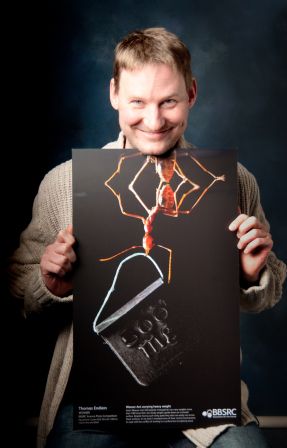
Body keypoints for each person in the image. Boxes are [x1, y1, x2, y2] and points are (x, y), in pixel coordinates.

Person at [9, 27, 286, 448]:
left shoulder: (233, 182)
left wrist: (251, 275)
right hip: (94, 403)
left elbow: (269, 290)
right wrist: (49, 284)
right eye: (137, 101)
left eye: (169, 101)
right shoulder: (64, 184)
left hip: (201, 405)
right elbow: (18, 283)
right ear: (114, 94)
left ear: (192, 94)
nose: (154, 121)